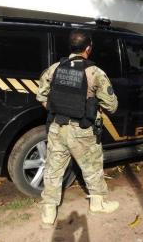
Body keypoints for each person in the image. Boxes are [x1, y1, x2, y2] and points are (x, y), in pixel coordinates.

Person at [36, 30, 119, 228]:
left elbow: (41, 96)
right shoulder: (95, 72)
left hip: (57, 127)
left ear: (71, 47)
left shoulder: (54, 68)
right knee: (92, 168)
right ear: (88, 48)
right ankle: (97, 204)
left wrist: (57, 109)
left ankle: (48, 213)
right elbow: (112, 105)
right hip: (83, 130)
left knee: (53, 171)